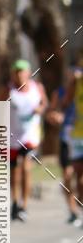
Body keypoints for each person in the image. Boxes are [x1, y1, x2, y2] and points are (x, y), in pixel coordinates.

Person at [0, 59, 47, 222]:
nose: (19, 75)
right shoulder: (9, 90)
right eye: (16, 72)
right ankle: (14, 202)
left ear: (28, 73)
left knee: (26, 168)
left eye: (22, 71)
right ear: (13, 74)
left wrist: (39, 109)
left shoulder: (37, 88)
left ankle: (24, 205)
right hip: (12, 137)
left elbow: (44, 104)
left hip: (30, 137)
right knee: (14, 172)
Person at [46, 70, 78, 225]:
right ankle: (72, 211)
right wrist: (55, 117)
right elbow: (50, 112)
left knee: (79, 177)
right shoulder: (59, 93)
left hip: (80, 139)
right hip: (66, 139)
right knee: (67, 175)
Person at [61, 64, 83, 225]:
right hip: (74, 137)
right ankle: (75, 208)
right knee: (74, 176)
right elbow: (64, 103)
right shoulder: (75, 83)